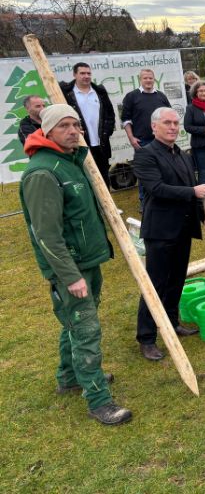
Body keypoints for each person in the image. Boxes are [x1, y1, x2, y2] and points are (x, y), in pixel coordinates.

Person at [20, 104, 131, 425]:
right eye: (64, 126)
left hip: (88, 260)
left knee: (74, 322)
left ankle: (68, 377)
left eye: (76, 125)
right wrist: (69, 276)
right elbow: (46, 235)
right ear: (48, 130)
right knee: (85, 329)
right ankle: (98, 400)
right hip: (71, 268)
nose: (73, 131)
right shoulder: (43, 173)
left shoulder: (71, 161)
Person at [133, 107, 205, 361]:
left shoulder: (181, 154)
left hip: (183, 227)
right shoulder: (145, 156)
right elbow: (158, 189)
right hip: (160, 230)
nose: (172, 127)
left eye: (175, 123)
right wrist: (193, 192)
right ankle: (147, 338)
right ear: (154, 127)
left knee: (177, 280)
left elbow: (192, 190)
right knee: (155, 285)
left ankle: (171, 322)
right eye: (167, 123)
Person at [121, 68, 171, 209]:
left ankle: (163, 198)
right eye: (145, 78)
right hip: (142, 142)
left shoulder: (161, 96)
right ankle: (145, 203)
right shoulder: (132, 96)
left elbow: (168, 116)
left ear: (154, 79)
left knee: (164, 170)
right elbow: (125, 120)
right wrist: (131, 138)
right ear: (140, 79)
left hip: (162, 141)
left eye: (150, 78)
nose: (148, 80)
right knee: (145, 174)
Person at [61, 63, 116, 187]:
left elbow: (110, 115)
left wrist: (107, 133)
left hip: (101, 145)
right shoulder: (66, 93)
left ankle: (107, 206)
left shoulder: (99, 92)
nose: (86, 76)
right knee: (85, 180)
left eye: (88, 73)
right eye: (82, 73)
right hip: (80, 145)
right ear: (75, 74)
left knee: (103, 180)